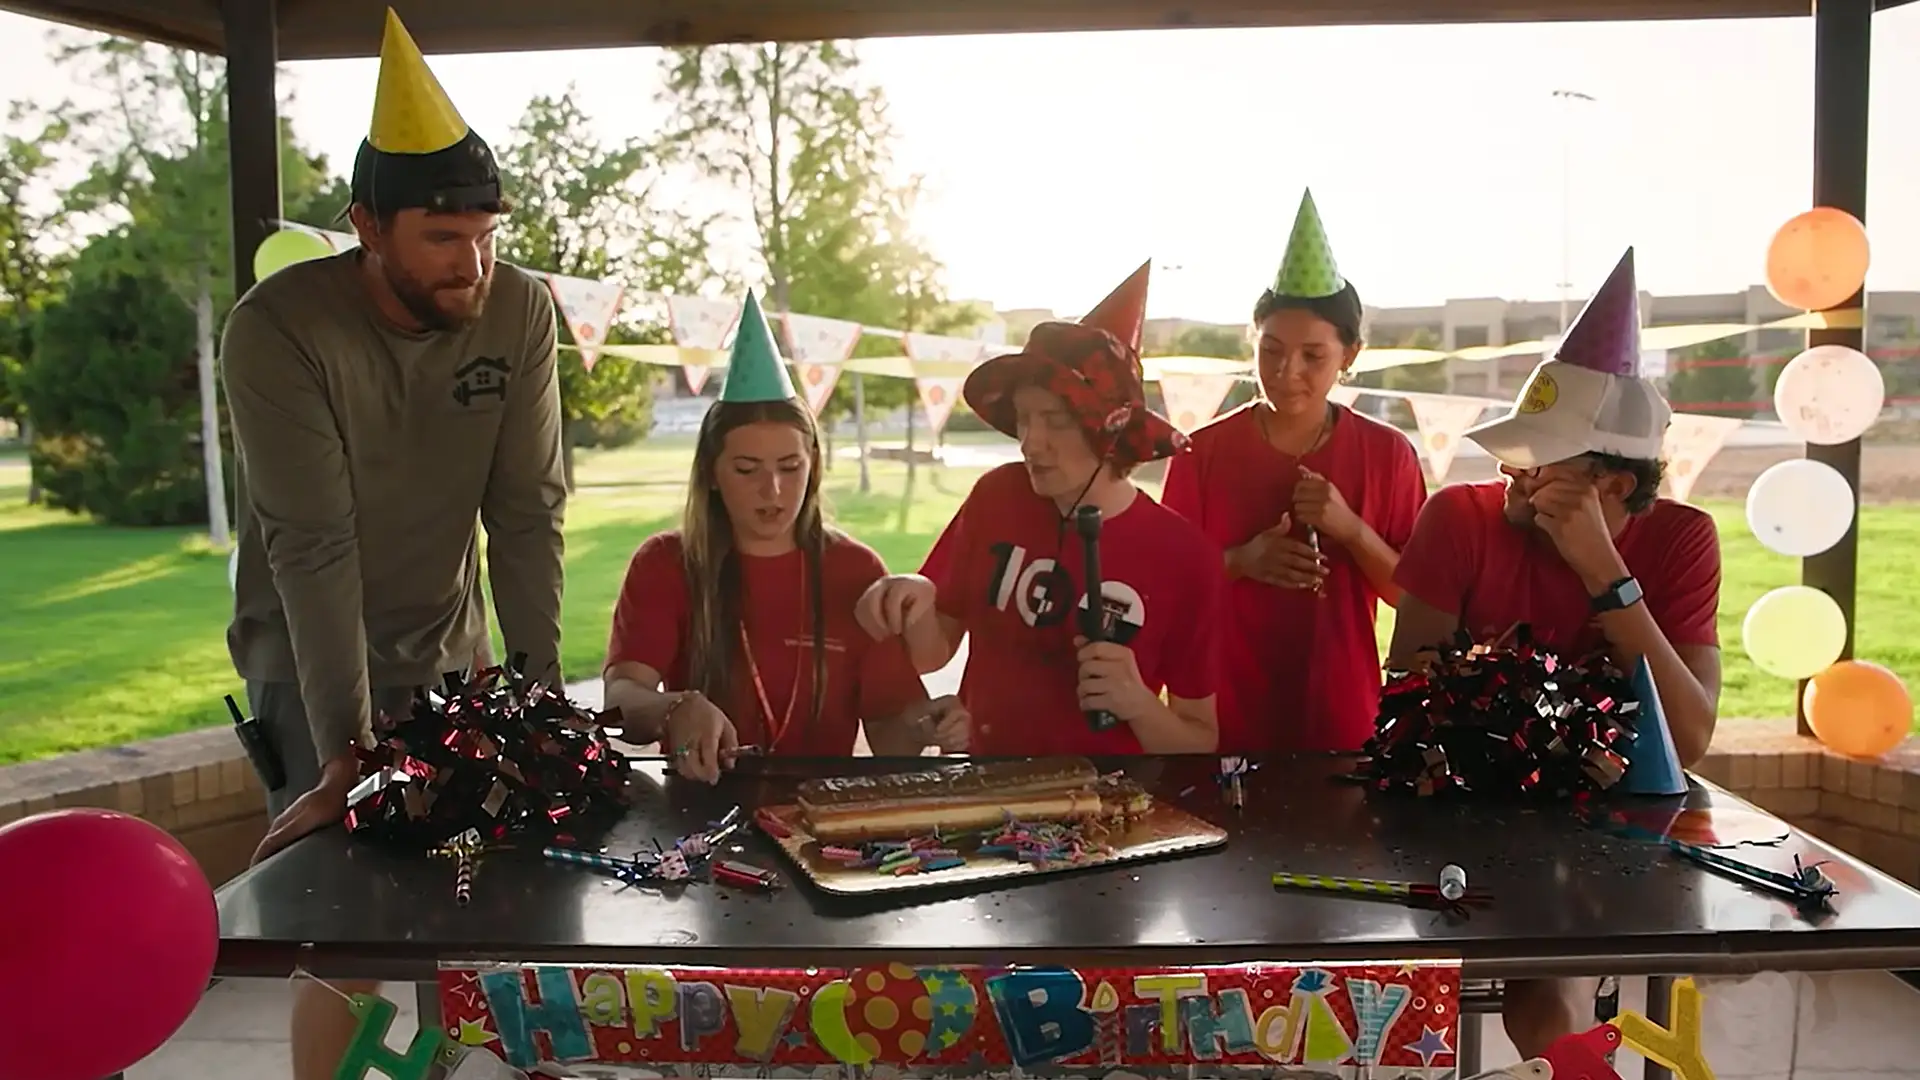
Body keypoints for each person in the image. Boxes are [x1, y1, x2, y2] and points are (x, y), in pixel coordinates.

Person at [219, 12, 564, 1079]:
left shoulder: (519, 310)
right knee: (347, 930)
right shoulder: (278, 330)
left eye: (488, 234)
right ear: (369, 226)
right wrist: (346, 757)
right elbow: (312, 546)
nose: (475, 263)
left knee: (476, 918)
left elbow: (526, 514)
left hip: (451, 658)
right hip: (308, 661)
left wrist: (540, 705)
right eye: (443, 239)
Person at [1385, 248, 1722, 1059]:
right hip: (1462, 817)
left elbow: (1692, 737)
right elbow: (1406, 694)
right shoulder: (1457, 519)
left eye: (1537, 461)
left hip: (1619, 835)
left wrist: (1607, 575)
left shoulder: (1681, 541)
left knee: (1554, 979)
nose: (1509, 470)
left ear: (1610, 484)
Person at [857, 263, 1224, 755]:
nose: (1031, 442)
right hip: (988, 794)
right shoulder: (997, 497)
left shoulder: (1185, 557)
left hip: (1106, 808)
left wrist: (1138, 703)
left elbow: (1200, 740)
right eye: (1024, 419)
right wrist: (916, 600)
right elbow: (931, 654)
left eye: (1054, 420)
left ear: (1108, 429)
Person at [604, 294, 968, 781]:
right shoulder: (667, 562)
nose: (772, 490)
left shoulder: (854, 570)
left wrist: (927, 728)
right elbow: (622, 700)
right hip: (697, 810)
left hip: (820, 815)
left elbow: (887, 729)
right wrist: (674, 708)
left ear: (814, 466)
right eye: (747, 469)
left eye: (790, 467)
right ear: (712, 473)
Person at [1162, 190, 1425, 752]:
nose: (1287, 373)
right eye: (1271, 351)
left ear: (1350, 354)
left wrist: (1351, 529)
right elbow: (1164, 589)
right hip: (1217, 714)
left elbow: (1413, 598)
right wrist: (1242, 560)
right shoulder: (1201, 453)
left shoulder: (1388, 455)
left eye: (1314, 356)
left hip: (1342, 714)